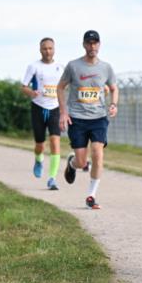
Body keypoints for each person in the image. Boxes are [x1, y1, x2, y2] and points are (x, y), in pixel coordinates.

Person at [58, 30, 118, 209]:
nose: (92, 46)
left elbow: (114, 88)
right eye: (89, 43)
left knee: (98, 154)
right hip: (77, 118)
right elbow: (60, 87)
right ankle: (72, 163)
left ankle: (91, 196)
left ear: (99, 44)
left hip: (98, 118)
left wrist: (113, 104)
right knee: (82, 162)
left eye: (95, 43)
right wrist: (63, 112)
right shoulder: (73, 66)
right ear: (84, 45)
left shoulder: (106, 67)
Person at [22, 38, 64, 190]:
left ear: (54, 49)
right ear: (40, 50)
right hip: (38, 108)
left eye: (50, 48)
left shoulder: (61, 67)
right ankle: (38, 159)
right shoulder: (34, 66)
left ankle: (52, 178)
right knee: (40, 144)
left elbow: (65, 87)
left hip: (54, 108)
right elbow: (23, 87)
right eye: (45, 48)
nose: (48, 51)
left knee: (55, 141)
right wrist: (31, 93)